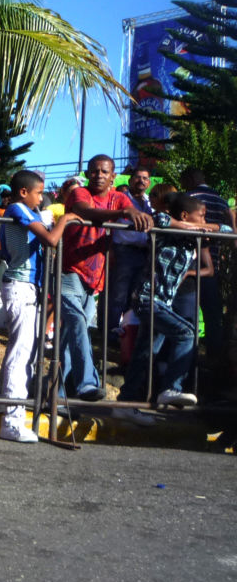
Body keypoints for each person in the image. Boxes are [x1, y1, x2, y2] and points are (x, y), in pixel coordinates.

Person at [112, 194, 218, 425]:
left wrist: (202, 228)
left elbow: (227, 228)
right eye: (201, 216)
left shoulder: (191, 240)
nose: (204, 220)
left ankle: (125, 402)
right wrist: (193, 227)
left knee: (144, 354)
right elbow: (158, 218)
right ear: (184, 216)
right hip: (148, 298)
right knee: (187, 333)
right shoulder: (165, 232)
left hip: (164, 302)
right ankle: (171, 387)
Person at [58, 154, 153, 402]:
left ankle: (56, 394)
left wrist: (134, 213)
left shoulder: (118, 197)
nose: (99, 175)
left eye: (104, 172)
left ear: (113, 177)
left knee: (71, 335)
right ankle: (87, 383)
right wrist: (123, 213)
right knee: (78, 322)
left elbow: (130, 208)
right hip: (69, 270)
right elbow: (88, 212)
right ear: (88, 173)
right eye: (94, 171)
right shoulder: (80, 194)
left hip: (94, 276)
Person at [0, 170, 82, 443]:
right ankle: (11, 421)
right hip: (20, 287)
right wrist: (66, 219)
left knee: (24, 351)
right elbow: (50, 239)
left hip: (27, 288)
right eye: (38, 192)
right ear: (24, 192)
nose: (42, 197)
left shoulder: (27, 210)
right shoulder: (17, 208)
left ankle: (4, 405)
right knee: (20, 354)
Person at [180, 167, 235, 373]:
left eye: (184, 180)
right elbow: (230, 224)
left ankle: (188, 360)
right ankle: (213, 356)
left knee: (187, 314)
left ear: (191, 179)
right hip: (213, 260)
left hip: (188, 261)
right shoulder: (220, 200)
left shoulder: (188, 197)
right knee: (212, 314)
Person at [107, 167, 154, 335]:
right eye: (137, 177)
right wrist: (111, 249)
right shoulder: (120, 198)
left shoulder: (150, 202)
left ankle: (128, 330)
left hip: (144, 252)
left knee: (135, 294)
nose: (141, 180)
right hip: (123, 250)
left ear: (149, 183)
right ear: (130, 180)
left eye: (145, 178)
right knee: (118, 294)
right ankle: (111, 331)